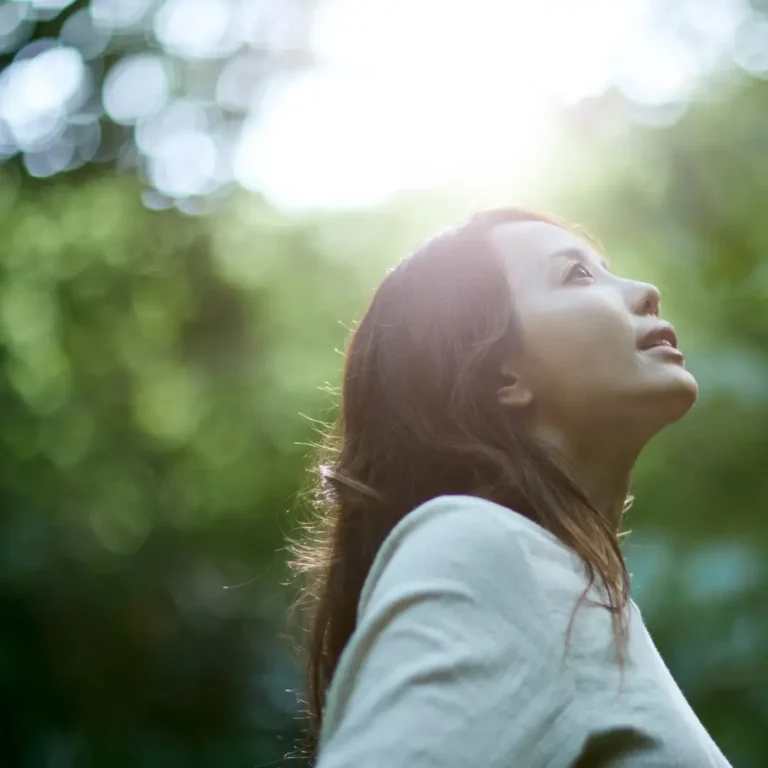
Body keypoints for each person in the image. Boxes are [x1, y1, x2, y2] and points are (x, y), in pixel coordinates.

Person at [286, 208, 733, 766]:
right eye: (578, 276)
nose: (646, 292)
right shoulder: (479, 548)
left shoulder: (576, 595)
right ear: (502, 376)